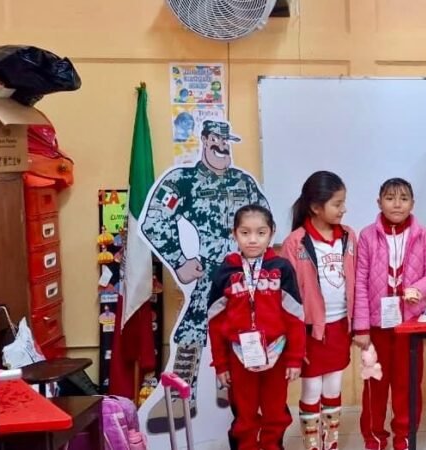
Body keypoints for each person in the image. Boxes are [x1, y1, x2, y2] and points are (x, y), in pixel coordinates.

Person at [141, 120, 270, 430]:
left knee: (247, 326)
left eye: (228, 142)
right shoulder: (183, 181)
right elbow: (154, 221)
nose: (223, 147)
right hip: (212, 269)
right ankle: (180, 397)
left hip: (249, 270)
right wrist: (180, 260)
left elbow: (266, 220)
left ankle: (234, 386)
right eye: (217, 140)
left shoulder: (244, 182)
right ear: (205, 140)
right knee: (192, 327)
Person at [352, 178, 426, 450]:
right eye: (390, 198)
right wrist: (361, 328)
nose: (397, 204)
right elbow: (360, 283)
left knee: (408, 383)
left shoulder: (423, 235)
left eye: (403, 198)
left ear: (412, 204)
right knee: (375, 383)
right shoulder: (367, 236)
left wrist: (417, 288)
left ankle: (404, 436)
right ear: (379, 202)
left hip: (411, 325)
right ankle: (374, 437)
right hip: (377, 327)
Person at [208, 205, 304, 450]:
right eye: (245, 232)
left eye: (260, 233)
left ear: (271, 233)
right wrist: (221, 364)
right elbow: (216, 322)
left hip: (277, 352)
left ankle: (272, 445)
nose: (252, 239)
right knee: (245, 412)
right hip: (239, 356)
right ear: (234, 234)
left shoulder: (281, 269)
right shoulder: (225, 272)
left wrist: (295, 359)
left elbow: (295, 317)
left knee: (275, 411)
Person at [281, 171, 357, 450]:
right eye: (337, 204)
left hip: (339, 326)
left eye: (343, 202)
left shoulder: (349, 236)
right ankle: (312, 445)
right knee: (311, 387)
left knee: (334, 385)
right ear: (315, 207)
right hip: (310, 329)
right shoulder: (296, 242)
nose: (343, 209)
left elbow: (356, 281)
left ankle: (331, 443)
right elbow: (287, 294)